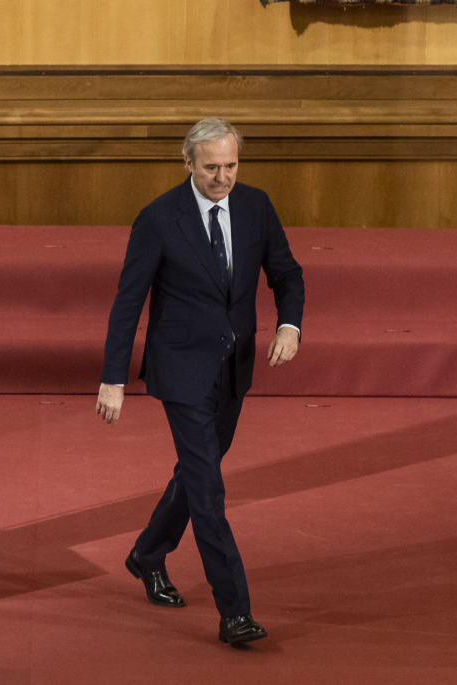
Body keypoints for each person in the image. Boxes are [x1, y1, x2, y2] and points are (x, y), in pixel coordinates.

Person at [96, 118, 305, 647]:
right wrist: (113, 379)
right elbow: (128, 303)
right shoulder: (159, 219)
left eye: (231, 166)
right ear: (187, 162)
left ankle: (147, 554)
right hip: (182, 371)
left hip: (234, 368)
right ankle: (234, 611)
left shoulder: (256, 206)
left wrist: (289, 323)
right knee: (209, 489)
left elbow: (287, 272)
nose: (222, 177)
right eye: (211, 167)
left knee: (197, 474)